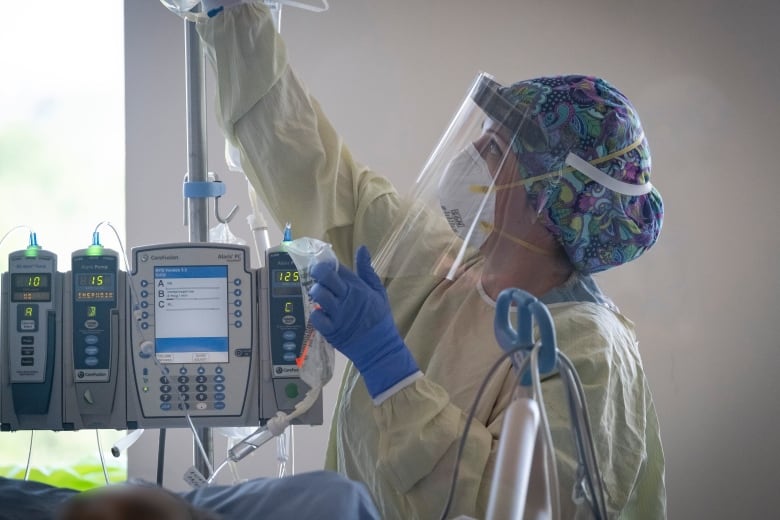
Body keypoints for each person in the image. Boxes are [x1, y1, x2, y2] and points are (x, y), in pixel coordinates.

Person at [188, 1, 667, 518]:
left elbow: (516, 505)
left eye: (497, 146)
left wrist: (392, 373)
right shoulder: (439, 269)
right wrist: (235, 20)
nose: (475, 151)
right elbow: (314, 172)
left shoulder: (586, 352)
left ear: (550, 193)